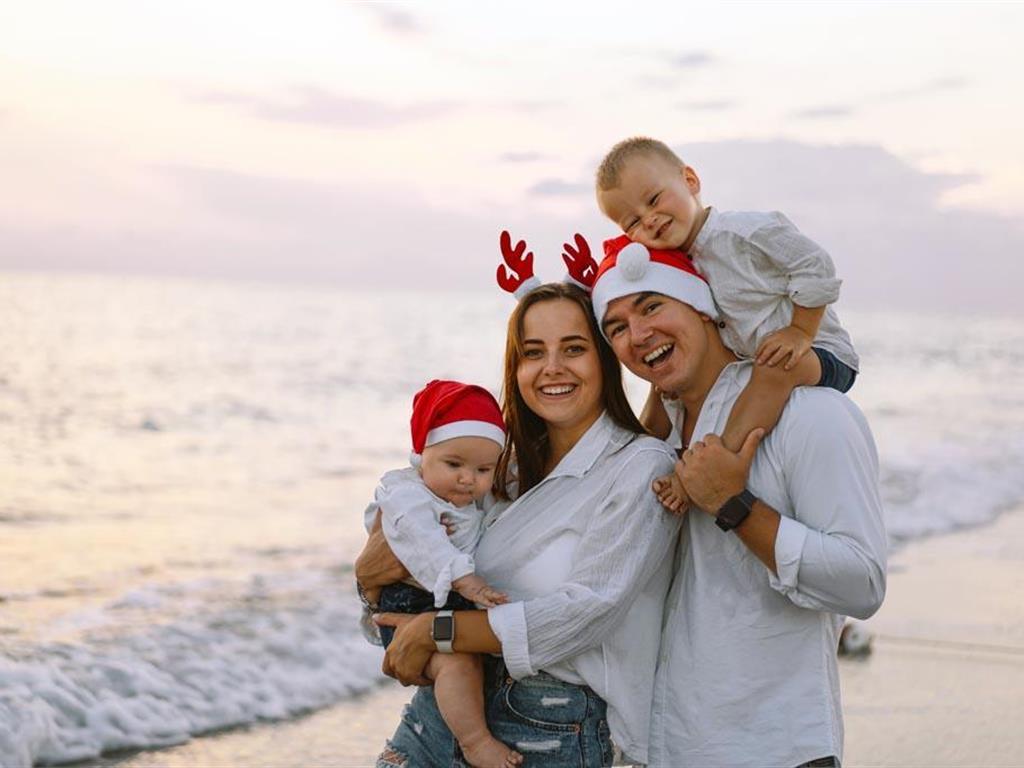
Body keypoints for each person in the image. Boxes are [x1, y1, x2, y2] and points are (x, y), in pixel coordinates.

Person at [357, 280, 682, 767]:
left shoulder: (639, 468)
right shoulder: (495, 469)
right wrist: (368, 580)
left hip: (551, 726)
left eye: (573, 348)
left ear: (605, 359)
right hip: (440, 716)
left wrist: (436, 631)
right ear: (515, 368)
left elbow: (584, 614)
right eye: (533, 352)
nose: (552, 367)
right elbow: (407, 568)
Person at [590, 238, 887, 767]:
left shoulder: (811, 414)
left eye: (653, 305)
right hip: (657, 751)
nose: (638, 335)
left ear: (703, 306)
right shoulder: (649, 447)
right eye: (615, 327)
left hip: (771, 748)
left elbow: (861, 582)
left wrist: (733, 504)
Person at [595, 136, 859, 515]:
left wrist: (800, 331)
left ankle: (709, 466)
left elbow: (815, 265)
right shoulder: (684, 263)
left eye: (653, 200)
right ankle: (626, 469)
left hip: (821, 353)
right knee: (673, 394)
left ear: (689, 180)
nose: (649, 219)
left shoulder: (743, 232)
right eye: (632, 221)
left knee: (771, 372)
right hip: (759, 359)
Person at [363, 378, 521, 768]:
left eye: (483, 469)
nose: (469, 478)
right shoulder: (407, 495)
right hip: (410, 600)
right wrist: (467, 582)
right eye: (454, 465)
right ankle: (475, 743)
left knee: (469, 662)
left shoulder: (468, 496)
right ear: (423, 454)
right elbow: (426, 546)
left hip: (445, 600)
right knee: (457, 663)